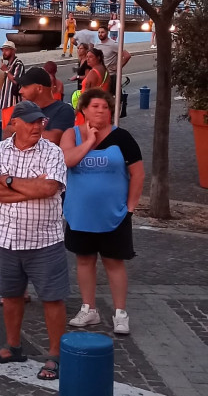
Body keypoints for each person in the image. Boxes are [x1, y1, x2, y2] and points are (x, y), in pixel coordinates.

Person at [0, 101, 69, 381]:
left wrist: (8, 181)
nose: (36, 126)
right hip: (5, 237)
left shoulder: (53, 152)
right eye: (30, 121)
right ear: (13, 124)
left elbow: (49, 187)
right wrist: (27, 189)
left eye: (40, 121)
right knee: (10, 295)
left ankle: (55, 355)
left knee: (53, 297)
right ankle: (13, 346)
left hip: (45, 238)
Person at [61, 89, 144, 335]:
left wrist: (130, 207)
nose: (100, 110)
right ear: (84, 110)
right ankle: (89, 308)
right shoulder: (71, 134)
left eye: (105, 107)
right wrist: (88, 141)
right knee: (84, 260)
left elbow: (137, 174)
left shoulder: (123, 138)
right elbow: (68, 161)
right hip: (80, 213)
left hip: (113, 214)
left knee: (113, 262)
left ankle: (120, 313)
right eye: (95, 106)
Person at [17, 67, 75, 145]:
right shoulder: (22, 109)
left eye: (25, 87)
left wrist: (19, 129)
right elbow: (6, 134)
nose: (20, 91)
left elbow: (53, 139)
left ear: (39, 89)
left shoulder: (63, 110)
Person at [0, 40, 24, 135]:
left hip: (12, 103)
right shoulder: (8, 65)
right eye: (3, 50)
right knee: (5, 129)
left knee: (11, 130)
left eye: (6, 50)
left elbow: (16, 80)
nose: (4, 53)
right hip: (5, 102)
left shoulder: (18, 64)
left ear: (13, 51)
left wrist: (6, 71)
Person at [96, 26, 131, 93]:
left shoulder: (113, 44)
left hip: (110, 76)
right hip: (100, 76)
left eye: (102, 32)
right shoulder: (97, 45)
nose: (100, 34)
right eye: (99, 32)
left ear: (107, 33)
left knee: (112, 98)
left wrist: (118, 67)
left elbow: (127, 55)